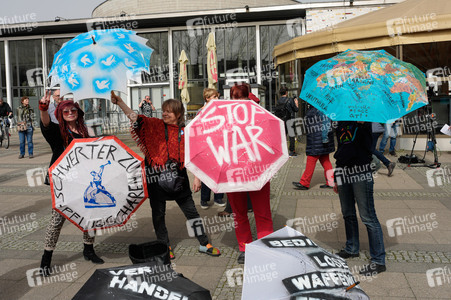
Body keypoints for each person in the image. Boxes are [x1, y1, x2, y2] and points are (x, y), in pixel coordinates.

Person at [110, 91, 221, 260]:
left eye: (169, 111)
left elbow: (194, 157)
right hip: (155, 176)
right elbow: (135, 118)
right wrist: (120, 103)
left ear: (178, 114)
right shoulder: (155, 125)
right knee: (158, 214)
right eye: (164, 110)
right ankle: (164, 245)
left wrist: (197, 178)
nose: (165, 113)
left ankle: (204, 243)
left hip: (179, 178)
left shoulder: (186, 131)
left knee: (192, 212)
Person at [38, 91, 104, 277]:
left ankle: (88, 249)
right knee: (57, 219)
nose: (70, 113)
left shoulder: (86, 131)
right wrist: (43, 107)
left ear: (78, 112)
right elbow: (46, 125)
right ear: (60, 113)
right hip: (62, 182)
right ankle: (46, 259)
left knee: (90, 213)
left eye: (73, 110)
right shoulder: (58, 132)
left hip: (84, 181)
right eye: (65, 111)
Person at [226, 83, 274, 264]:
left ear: (248, 96)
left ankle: (265, 246)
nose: (237, 101)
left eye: (240, 97)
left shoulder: (260, 113)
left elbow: (270, 139)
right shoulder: (225, 116)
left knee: (262, 211)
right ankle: (245, 247)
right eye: (234, 97)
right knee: (239, 213)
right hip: (233, 171)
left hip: (258, 170)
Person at [333, 121, 386, 276]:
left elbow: (370, 146)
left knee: (368, 217)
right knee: (347, 213)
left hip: (361, 172)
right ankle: (352, 248)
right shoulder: (341, 121)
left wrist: (364, 126)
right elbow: (341, 149)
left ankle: (378, 260)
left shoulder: (369, 122)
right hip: (343, 171)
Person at [292, 105, 335, 190]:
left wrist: (325, 139)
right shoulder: (317, 107)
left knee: (311, 159)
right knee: (325, 160)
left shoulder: (321, 107)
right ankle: (331, 182)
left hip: (318, 139)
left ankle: (304, 183)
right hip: (316, 138)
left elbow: (326, 123)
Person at [198, 88, 226, 209]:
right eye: (214, 97)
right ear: (207, 98)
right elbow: (198, 128)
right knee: (207, 173)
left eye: (217, 96)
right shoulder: (201, 112)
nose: (216, 99)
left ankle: (218, 197)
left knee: (220, 172)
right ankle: (204, 199)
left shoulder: (220, 110)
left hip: (220, 144)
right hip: (207, 145)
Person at [277, 87, 298, 156]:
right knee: (291, 136)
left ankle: (282, 151)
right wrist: (296, 103)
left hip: (282, 120)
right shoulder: (290, 100)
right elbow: (296, 109)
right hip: (290, 120)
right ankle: (292, 151)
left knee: (283, 136)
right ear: (286, 92)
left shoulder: (278, 101)